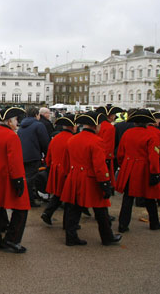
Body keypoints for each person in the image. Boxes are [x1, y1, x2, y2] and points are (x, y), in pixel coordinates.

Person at [61, 111, 121, 246]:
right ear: (95, 125)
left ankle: (71, 237)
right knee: (101, 209)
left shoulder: (72, 139)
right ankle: (107, 237)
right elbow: (99, 166)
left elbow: (66, 162)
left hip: (74, 176)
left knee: (73, 209)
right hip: (90, 179)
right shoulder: (97, 141)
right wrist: (105, 182)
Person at [0, 107, 30, 253]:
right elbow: (14, 161)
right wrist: (19, 180)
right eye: (16, 120)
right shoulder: (11, 136)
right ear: (9, 121)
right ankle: (12, 239)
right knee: (21, 208)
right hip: (7, 176)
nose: (17, 123)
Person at [115, 109, 160, 232]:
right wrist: (155, 172)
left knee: (128, 198)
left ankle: (123, 224)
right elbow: (153, 156)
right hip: (144, 168)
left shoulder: (127, 133)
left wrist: (124, 164)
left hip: (129, 167)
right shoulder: (152, 134)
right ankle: (154, 223)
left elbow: (120, 153)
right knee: (150, 197)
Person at [41, 114, 77, 227]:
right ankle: (69, 224)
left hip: (56, 170)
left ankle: (48, 213)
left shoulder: (56, 138)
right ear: (72, 126)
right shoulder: (73, 139)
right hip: (67, 171)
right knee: (70, 199)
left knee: (58, 194)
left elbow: (48, 157)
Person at [17, 106, 50, 207]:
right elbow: (45, 142)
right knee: (31, 179)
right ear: (37, 115)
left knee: (27, 178)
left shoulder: (21, 126)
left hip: (23, 155)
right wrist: (47, 154)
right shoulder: (38, 125)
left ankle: (27, 197)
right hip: (33, 155)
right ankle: (29, 200)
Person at [96, 105, 123, 188]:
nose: (114, 117)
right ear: (110, 116)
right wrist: (107, 159)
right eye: (114, 115)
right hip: (104, 157)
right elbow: (108, 145)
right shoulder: (109, 127)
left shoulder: (98, 124)